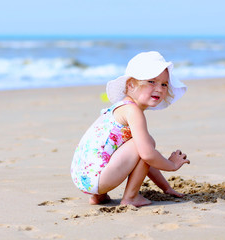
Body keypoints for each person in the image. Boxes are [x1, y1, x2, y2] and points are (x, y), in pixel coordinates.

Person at [71, 51, 190, 207]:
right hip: (98, 179)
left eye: (164, 84)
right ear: (131, 85)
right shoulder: (133, 111)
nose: (159, 89)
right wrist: (171, 165)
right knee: (146, 144)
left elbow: (144, 160)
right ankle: (131, 197)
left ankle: (98, 197)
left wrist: (166, 188)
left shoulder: (119, 108)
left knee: (140, 145)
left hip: (82, 177)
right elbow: (147, 155)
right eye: (151, 82)